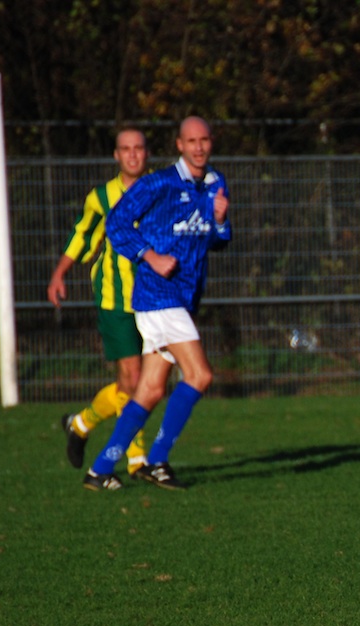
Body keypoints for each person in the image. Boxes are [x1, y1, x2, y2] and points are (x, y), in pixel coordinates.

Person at [80, 116, 231, 491]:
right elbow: (116, 223)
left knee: (150, 390)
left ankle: (100, 469)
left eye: (204, 140)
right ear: (179, 145)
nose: (199, 147)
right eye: (191, 141)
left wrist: (220, 221)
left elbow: (217, 240)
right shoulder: (158, 183)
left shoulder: (215, 184)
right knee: (199, 375)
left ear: (212, 142)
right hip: (157, 295)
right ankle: (159, 458)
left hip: (183, 298)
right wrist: (150, 256)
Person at [48, 128, 152, 475]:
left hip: (156, 300)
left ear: (147, 153)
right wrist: (59, 273)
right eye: (126, 149)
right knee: (133, 380)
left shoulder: (163, 189)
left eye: (138, 148)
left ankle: (80, 424)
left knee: (142, 384)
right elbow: (83, 236)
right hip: (115, 300)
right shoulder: (102, 197)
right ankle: (137, 461)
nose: (133, 155)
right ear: (116, 155)